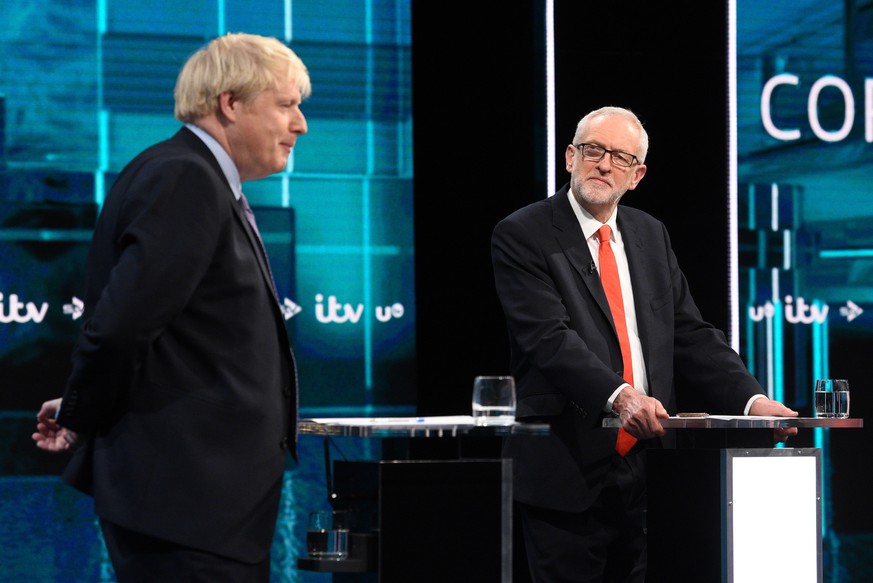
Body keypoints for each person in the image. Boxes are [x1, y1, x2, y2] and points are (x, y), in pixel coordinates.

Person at [32, 33, 309, 582]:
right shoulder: (184, 177)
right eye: (286, 106)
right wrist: (83, 411)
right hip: (188, 508)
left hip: (203, 507)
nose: (300, 125)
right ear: (230, 103)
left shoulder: (195, 178)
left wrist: (80, 406)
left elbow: (171, 337)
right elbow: (121, 327)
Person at [490, 106, 798, 583]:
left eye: (620, 157)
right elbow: (547, 339)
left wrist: (752, 400)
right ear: (570, 156)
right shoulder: (522, 234)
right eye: (593, 150)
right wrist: (620, 396)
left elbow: (691, 335)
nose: (604, 164)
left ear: (637, 175)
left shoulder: (650, 235)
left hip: (653, 469)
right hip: (566, 470)